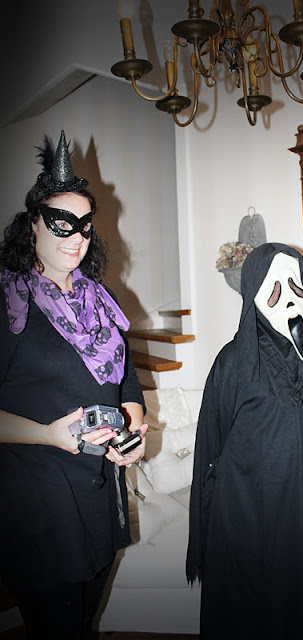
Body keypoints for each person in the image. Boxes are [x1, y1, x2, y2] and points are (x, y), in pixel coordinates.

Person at [0, 130, 147, 639]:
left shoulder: (100, 298)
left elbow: (128, 379)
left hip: (100, 494)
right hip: (40, 502)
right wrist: (47, 434)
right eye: (61, 222)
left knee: (84, 623)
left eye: (84, 224)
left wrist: (133, 430)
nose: (76, 235)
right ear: (32, 224)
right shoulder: (9, 301)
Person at [186, 242, 303, 639]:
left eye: (296, 284)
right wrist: (204, 532)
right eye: (273, 289)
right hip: (248, 522)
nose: (289, 299)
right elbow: (210, 446)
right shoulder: (233, 362)